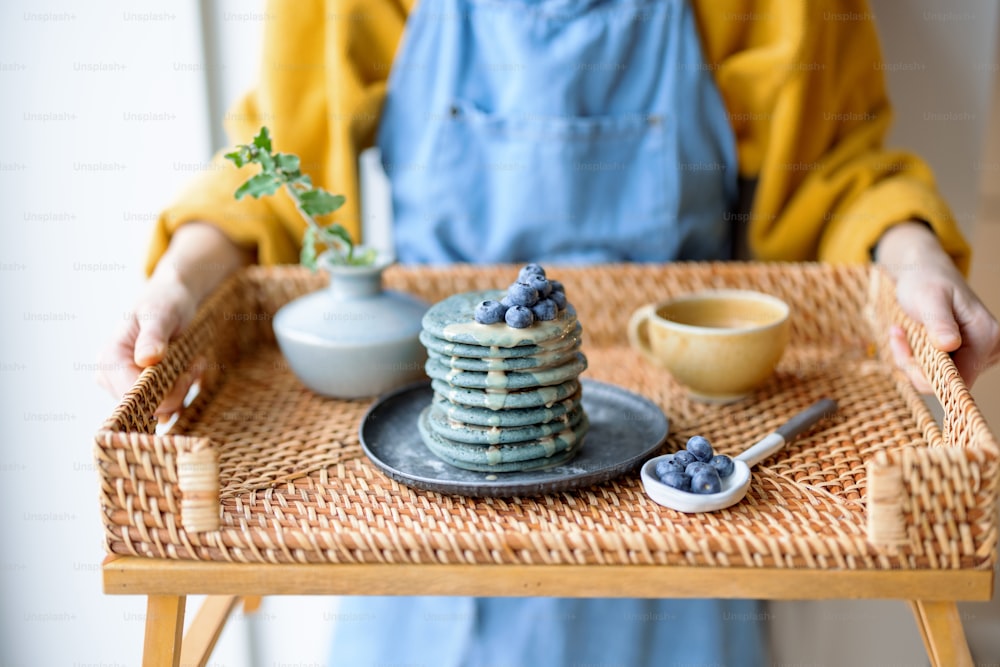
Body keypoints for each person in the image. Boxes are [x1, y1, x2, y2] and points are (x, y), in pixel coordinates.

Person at [99, 0, 1000, 665]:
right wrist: (181, 281)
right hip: (427, 505)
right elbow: (273, 168)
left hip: (670, 507)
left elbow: (839, 173)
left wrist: (914, 259)